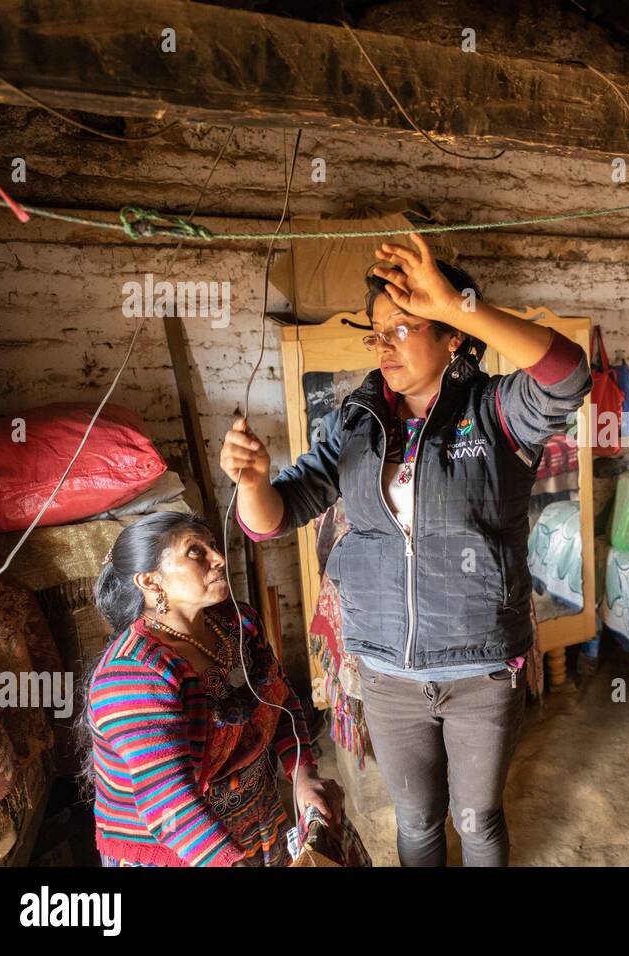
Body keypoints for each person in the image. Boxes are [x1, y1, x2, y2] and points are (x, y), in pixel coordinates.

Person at [222, 236, 591, 866]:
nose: (384, 344)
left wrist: (456, 303)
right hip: (388, 673)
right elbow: (273, 519)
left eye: (403, 327)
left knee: (476, 820)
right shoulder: (355, 422)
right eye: (376, 333)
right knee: (418, 822)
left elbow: (570, 374)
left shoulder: (496, 409)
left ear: (451, 334)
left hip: (480, 668)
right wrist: (252, 483)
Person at [86, 511, 342, 866]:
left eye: (211, 544)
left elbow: (281, 699)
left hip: (256, 816)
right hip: (180, 850)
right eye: (195, 552)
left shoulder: (236, 623)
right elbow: (171, 805)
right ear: (150, 581)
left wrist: (303, 775)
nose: (218, 557)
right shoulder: (134, 674)